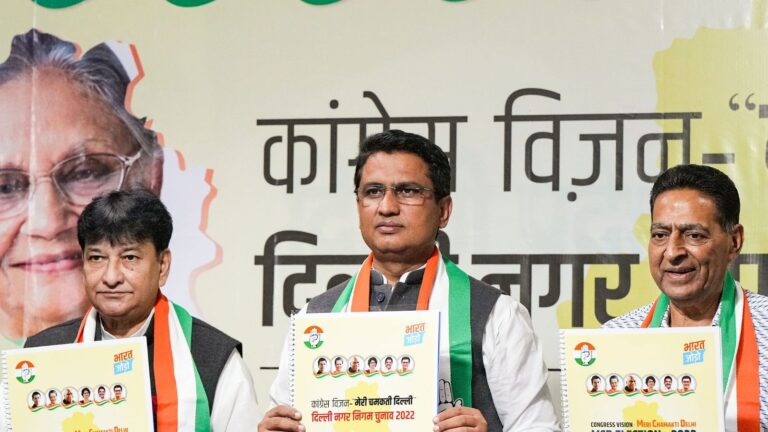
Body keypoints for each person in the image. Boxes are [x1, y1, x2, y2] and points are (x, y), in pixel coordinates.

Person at [260, 130, 558, 432]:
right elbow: (285, 418)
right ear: (358, 205)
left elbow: (539, 427)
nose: (387, 207)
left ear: (444, 211)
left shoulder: (497, 315)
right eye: (373, 191)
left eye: (408, 191)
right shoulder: (315, 319)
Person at [25, 190, 258, 431]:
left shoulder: (213, 357)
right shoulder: (42, 353)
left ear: (163, 265)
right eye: (97, 258)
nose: (111, 277)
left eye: (129, 257)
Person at [0, 29, 163, 340]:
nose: (47, 223)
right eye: (5, 188)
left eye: (85, 172)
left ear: (151, 176)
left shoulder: (203, 357)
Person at [604, 164, 767, 430]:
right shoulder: (613, 339)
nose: (672, 252)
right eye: (660, 235)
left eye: (694, 235)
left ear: (734, 242)